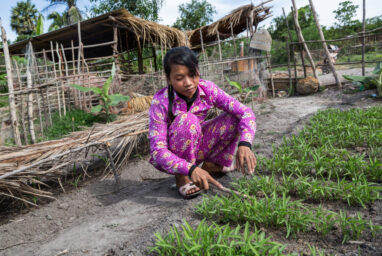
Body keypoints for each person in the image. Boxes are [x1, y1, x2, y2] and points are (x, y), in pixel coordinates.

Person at [148, 46, 257, 199]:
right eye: (179, 78)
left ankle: (213, 166)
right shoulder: (161, 101)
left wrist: (245, 144)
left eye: (193, 75)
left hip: (197, 145)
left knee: (233, 118)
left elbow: (245, 112)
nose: (188, 83)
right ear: (168, 78)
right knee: (188, 120)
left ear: (198, 71)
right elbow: (157, 151)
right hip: (173, 155)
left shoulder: (207, 89)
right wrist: (190, 169)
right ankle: (182, 178)